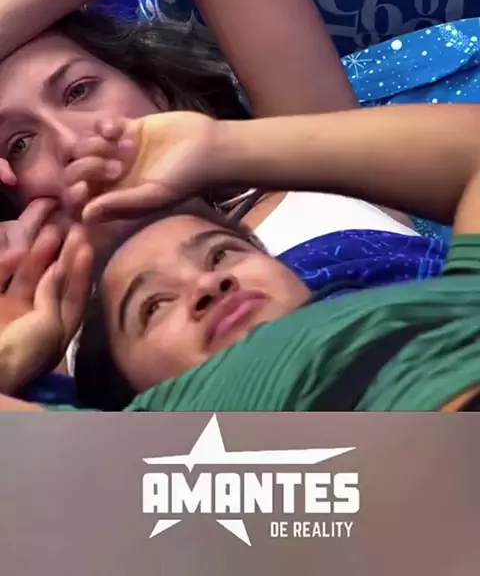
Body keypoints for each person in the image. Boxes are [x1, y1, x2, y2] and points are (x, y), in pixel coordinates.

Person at [0, 0, 414, 274]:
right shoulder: (38, 323)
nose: (72, 142)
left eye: (79, 91)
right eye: (19, 144)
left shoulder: (317, 178)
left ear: (156, 93)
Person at [0, 100, 478, 412]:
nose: (209, 285)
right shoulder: (151, 458)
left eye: (222, 256)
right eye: (154, 306)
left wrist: (220, 147)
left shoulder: (443, 304)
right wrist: (13, 356)